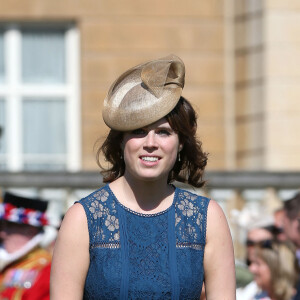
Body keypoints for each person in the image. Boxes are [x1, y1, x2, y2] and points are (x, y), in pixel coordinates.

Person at [50, 54, 236, 299]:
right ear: (122, 142)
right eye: (138, 131)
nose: (151, 143)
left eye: (163, 132)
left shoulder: (207, 217)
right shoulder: (83, 218)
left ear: (180, 144)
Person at [0, 192, 52, 299]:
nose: (2, 233)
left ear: (30, 230)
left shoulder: (47, 270)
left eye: (8, 226)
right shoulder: (11, 265)